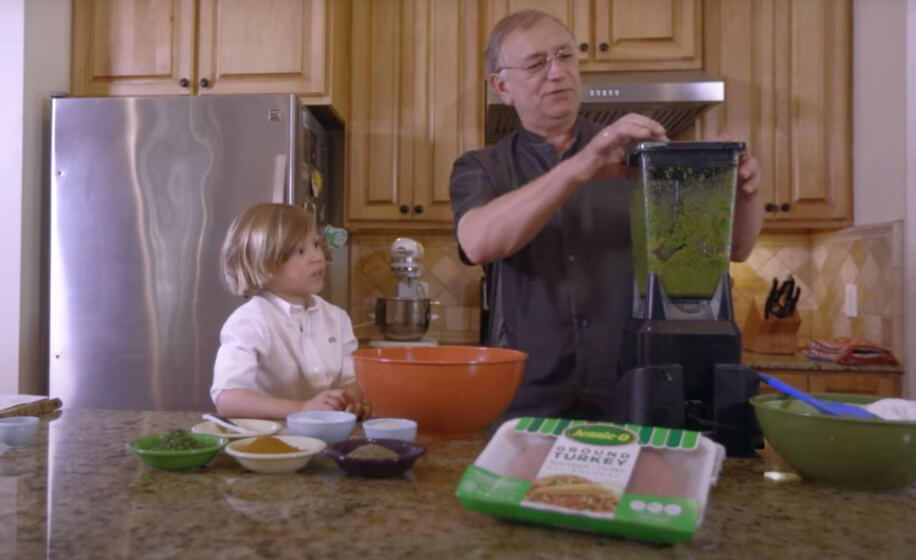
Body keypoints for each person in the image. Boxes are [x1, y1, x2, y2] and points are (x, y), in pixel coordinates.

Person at [449, 10, 763, 420]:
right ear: (502, 86)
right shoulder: (481, 167)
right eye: (536, 63)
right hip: (525, 398)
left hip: (631, 389)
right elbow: (476, 242)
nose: (557, 72)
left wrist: (739, 192)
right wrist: (581, 167)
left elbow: (734, 249)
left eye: (565, 55)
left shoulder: (641, 158)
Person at [211, 203, 371, 420]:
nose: (317, 256)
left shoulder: (337, 318)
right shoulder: (249, 321)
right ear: (265, 264)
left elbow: (352, 381)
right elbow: (228, 400)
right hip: (270, 443)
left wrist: (350, 401)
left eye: (315, 244)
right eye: (300, 251)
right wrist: (301, 409)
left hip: (330, 441)